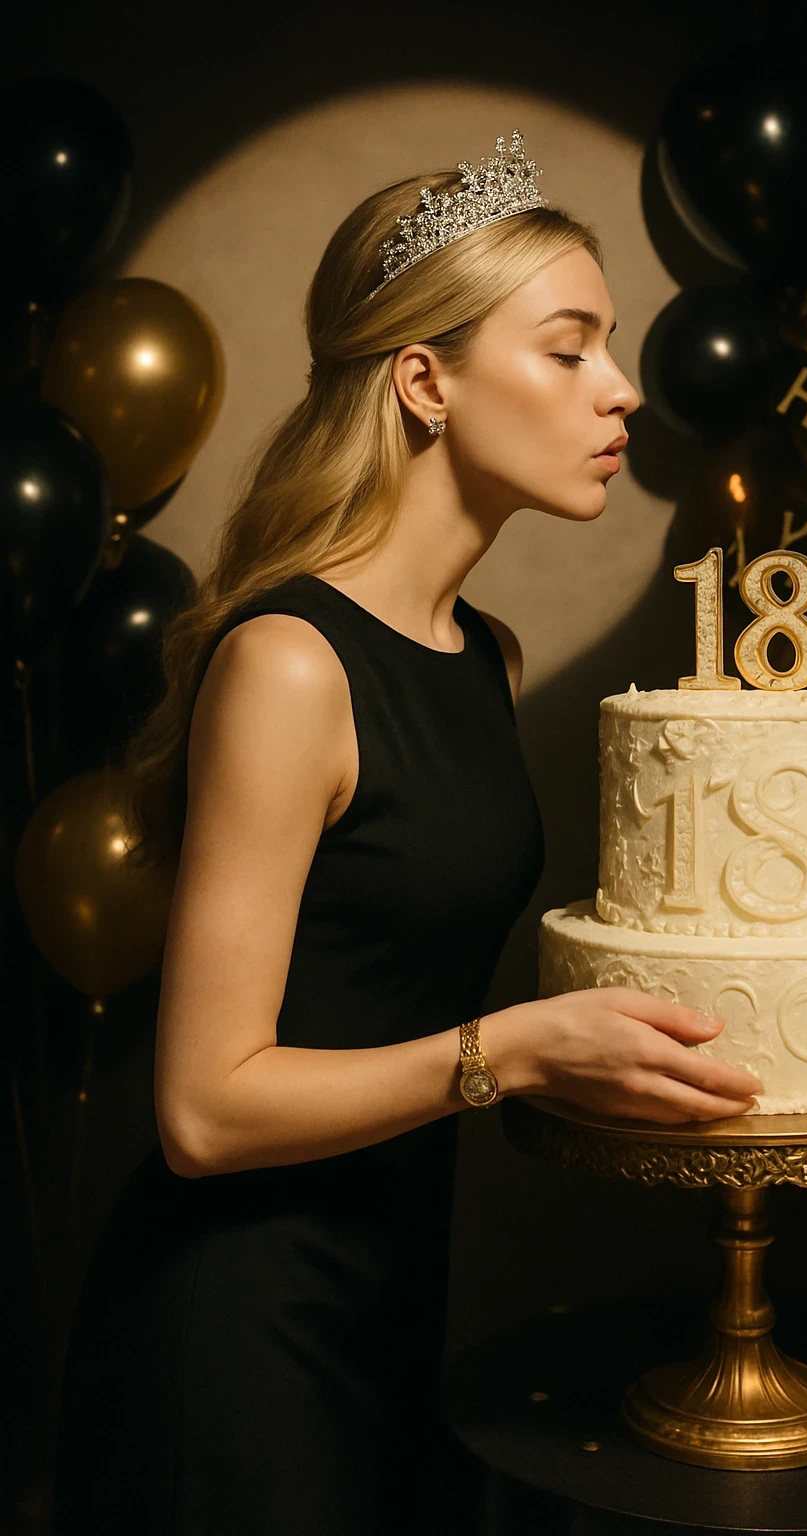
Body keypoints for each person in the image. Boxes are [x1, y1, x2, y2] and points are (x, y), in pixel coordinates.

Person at [50, 129, 764, 1536]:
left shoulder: (480, 656)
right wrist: (519, 1051)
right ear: (424, 382)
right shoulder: (291, 666)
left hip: (396, 1306)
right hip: (231, 1329)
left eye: (610, 346)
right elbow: (203, 1110)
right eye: (568, 350)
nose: (621, 389)